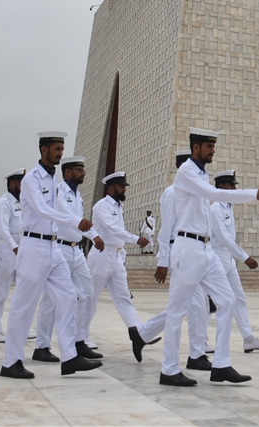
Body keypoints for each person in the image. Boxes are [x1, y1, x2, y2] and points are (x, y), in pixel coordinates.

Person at [159, 128, 259, 387]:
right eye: (208, 146)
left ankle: (221, 364)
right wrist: (253, 193)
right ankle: (168, 369)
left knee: (228, 301)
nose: (212, 151)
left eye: (213, 146)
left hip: (205, 250)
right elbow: (213, 195)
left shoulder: (201, 172)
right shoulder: (187, 171)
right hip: (187, 247)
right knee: (177, 311)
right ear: (195, 147)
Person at [0, 132, 102, 380]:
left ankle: (69, 357)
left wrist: (84, 228)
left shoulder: (53, 181)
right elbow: (42, 210)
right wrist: (76, 220)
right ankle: (11, 362)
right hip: (34, 247)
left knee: (68, 297)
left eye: (61, 148)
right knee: (24, 306)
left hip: (53, 247)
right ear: (43, 150)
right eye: (56, 149)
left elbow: (62, 208)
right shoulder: (31, 180)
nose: (59, 153)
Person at [138, 150, 204, 369]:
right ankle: (195, 355)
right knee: (190, 303)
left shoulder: (190, 192)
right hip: (179, 251)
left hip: (192, 252)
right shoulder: (171, 193)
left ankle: (145, 334)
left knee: (191, 304)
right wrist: (162, 260)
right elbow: (165, 229)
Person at [34, 156, 103, 362]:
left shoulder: (78, 195)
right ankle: (42, 346)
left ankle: (79, 341)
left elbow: (82, 224)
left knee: (87, 294)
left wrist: (94, 236)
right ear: (67, 172)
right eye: (79, 170)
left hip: (77, 250)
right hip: (60, 248)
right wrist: (91, 232)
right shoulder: (59, 192)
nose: (83, 173)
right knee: (51, 300)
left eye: (83, 169)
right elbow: (66, 215)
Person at [86, 171, 154, 361]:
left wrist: (123, 252)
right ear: (111, 187)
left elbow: (117, 233)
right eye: (121, 186)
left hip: (116, 257)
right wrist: (134, 239)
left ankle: (138, 334)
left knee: (124, 298)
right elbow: (111, 228)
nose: (124, 189)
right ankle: (81, 338)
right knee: (91, 298)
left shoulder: (119, 206)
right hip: (101, 255)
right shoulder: (101, 206)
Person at [209, 170, 259, 353]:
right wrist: (245, 257)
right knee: (217, 302)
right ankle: (204, 342)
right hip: (217, 258)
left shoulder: (228, 207)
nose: (234, 188)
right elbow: (222, 238)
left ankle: (248, 339)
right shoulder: (215, 209)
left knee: (239, 298)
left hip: (228, 259)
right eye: (232, 185)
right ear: (222, 187)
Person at [0, 168, 26, 343]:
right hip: (6, 249)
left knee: (24, 290)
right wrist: (14, 248)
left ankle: (19, 328)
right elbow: (4, 229)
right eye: (21, 183)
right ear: (12, 184)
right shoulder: (4, 202)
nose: (23, 186)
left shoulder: (21, 203)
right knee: (1, 291)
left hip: (21, 249)